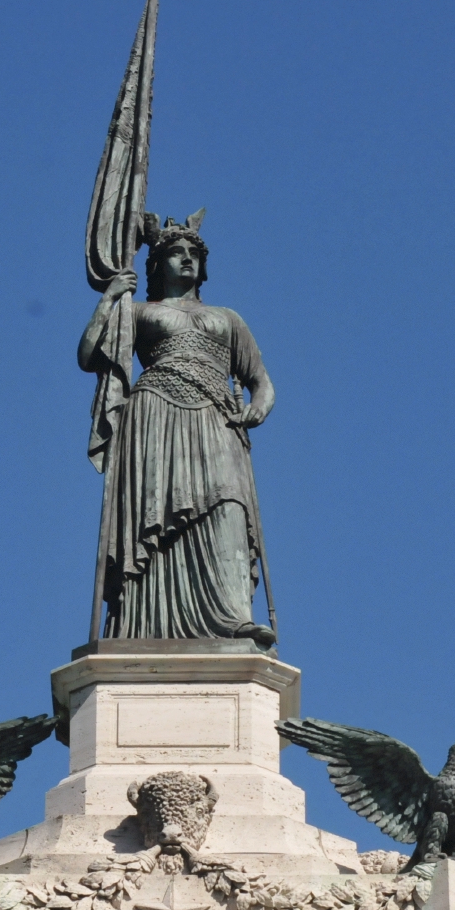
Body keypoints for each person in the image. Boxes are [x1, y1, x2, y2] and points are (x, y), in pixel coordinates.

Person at [78, 217, 276, 644]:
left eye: (194, 254)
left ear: (203, 267)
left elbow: (260, 379)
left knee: (229, 503)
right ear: (157, 265)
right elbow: (89, 354)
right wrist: (110, 298)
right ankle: (142, 621)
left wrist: (259, 407)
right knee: (155, 512)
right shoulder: (139, 312)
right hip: (154, 417)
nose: (187, 259)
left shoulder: (227, 318)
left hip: (216, 415)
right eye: (176, 252)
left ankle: (233, 614)